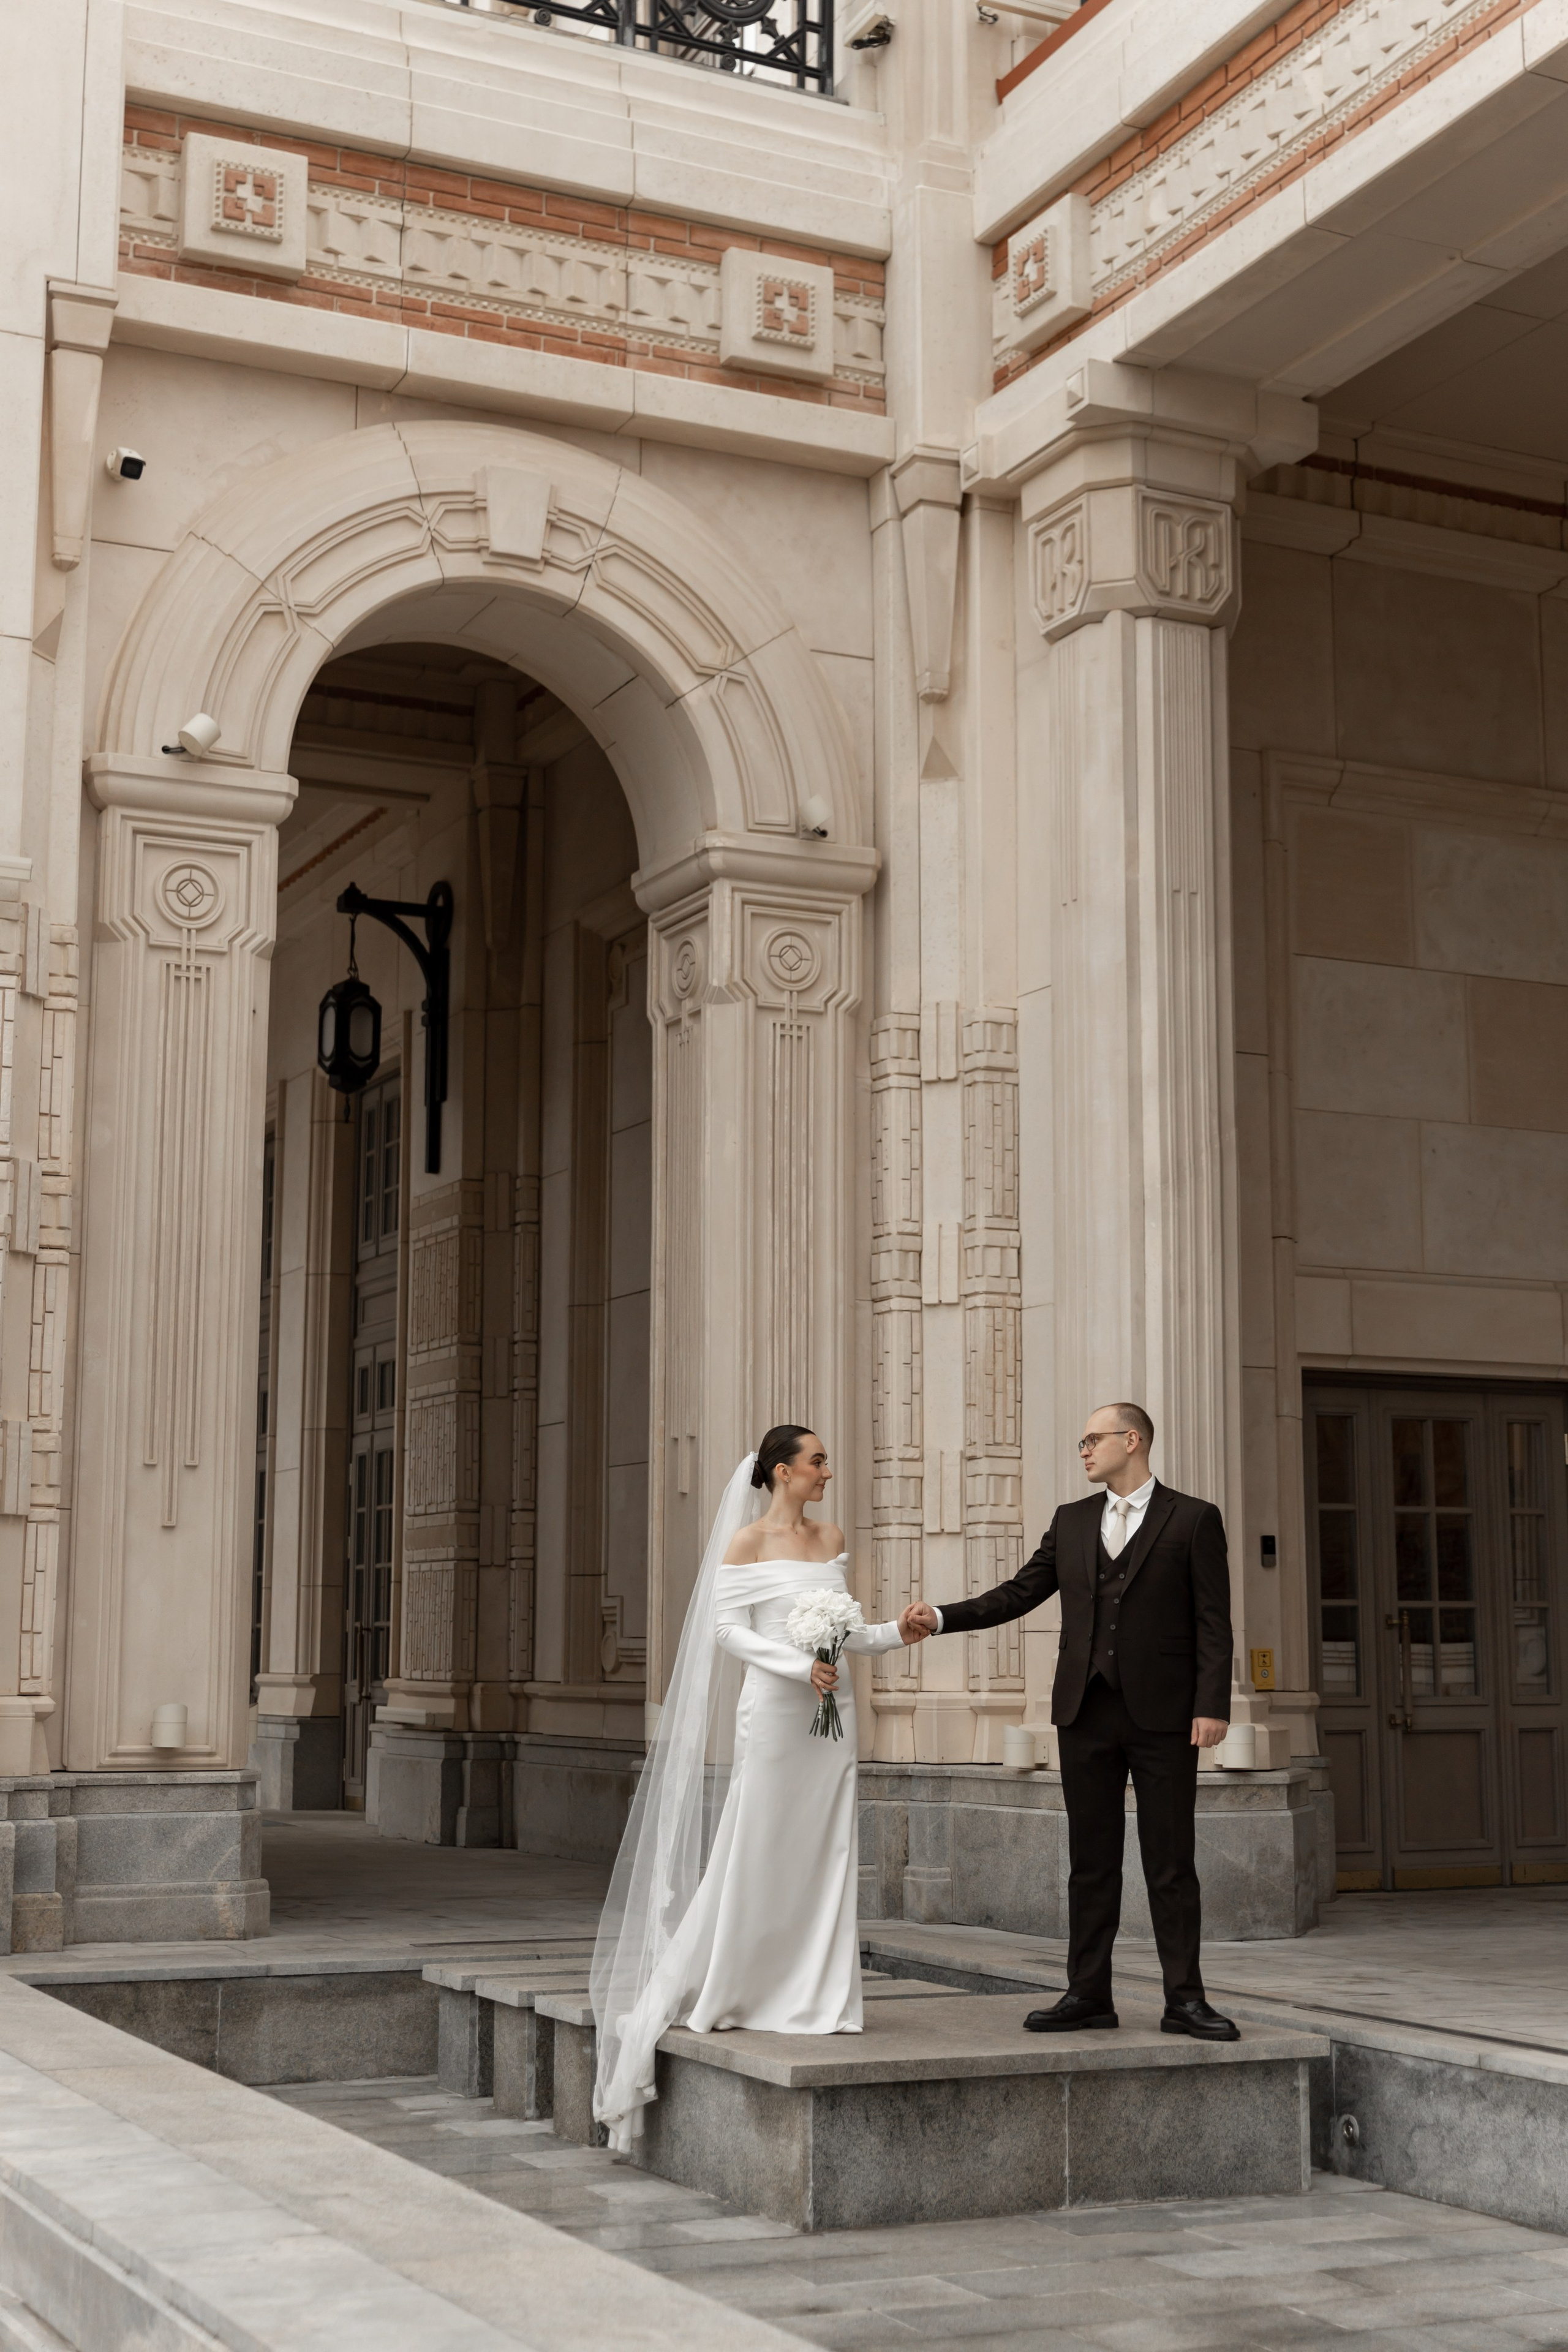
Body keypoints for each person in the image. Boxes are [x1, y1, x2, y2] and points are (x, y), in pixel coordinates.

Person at [591, 1425, 919, 2152]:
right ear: (782, 1471)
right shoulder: (743, 1545)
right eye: (817, 1460)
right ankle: (742, 1983)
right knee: (761, 1841)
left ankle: (819, 1994)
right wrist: (797, 1668)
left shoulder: (831, 1538)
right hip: (776, 1712)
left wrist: (899, 1631)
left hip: (832, 1721)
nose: (827, 1471)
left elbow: (848, 1634)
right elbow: (728, 1633)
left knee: (826, 1846)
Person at [901, 1402, 1238, 2041]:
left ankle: (1185, 2000)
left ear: (1131, 1440)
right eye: (1081, 1442)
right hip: (1084, 1713)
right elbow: (1018, 1593)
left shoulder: (1192, 1518)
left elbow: (1212, 1621)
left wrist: (1211, 1705)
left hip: (1166, 1716)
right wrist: (942, 1617)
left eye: (1092, 1439)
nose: (1082, 1450)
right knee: (1090, 1862)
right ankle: (1087, 1994)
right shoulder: (1072, 1521)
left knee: (1170, 1863)